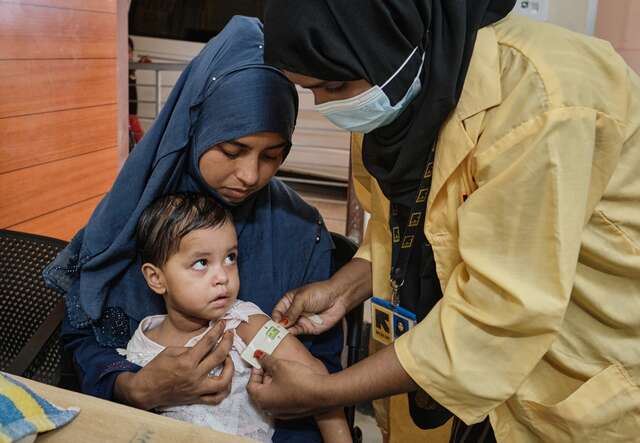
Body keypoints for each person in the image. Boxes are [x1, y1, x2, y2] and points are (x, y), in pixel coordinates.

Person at [247, 1, 640, 442]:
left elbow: (499, 314)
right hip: (475, 372)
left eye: (335, 85)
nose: (330, 107)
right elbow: (403, 221)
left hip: (576, 372)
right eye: (310, 91)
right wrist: (344, 288)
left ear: (393, 34)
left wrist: (326, 392)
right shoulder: (394, 81)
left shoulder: (546, 103)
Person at [44, 16, 343, 443]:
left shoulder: (300, 230)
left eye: (273, 156)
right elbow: (81, 338)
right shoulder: (136, 215)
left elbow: (319, 377)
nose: (249, 175)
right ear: (198, 125)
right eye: (232, 149)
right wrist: (135, 386)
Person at [119, 192, 351, 443]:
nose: (223, 276)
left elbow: (316, 380)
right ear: (156, 278)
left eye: (230, 258)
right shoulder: (142, 343)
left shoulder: (244, 325)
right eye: (201, 263)